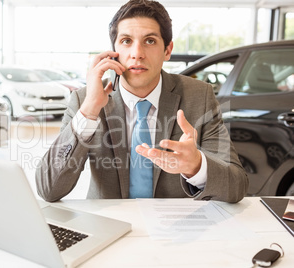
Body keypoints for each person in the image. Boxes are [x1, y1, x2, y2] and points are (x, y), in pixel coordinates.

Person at [36, 0, 248, 203]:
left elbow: (237, 186)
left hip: (175, 228)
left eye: (150, 41)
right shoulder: (85, 99)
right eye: (126, 41)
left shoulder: (198, 96)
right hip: (110, 225)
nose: (137, 54)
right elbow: (48, 189)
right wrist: (89, 111)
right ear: (114, 53)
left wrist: (196, 166)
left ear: (167, 50)